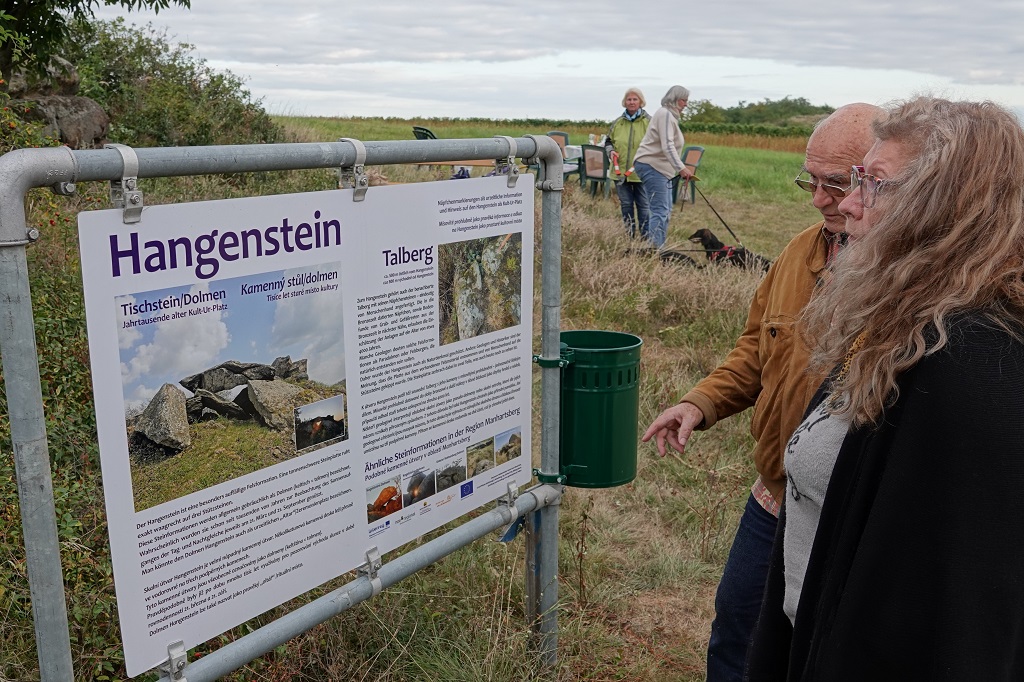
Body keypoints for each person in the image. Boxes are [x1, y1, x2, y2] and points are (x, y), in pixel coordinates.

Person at [747, 97, 1024, 680]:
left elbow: (962, 619)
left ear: (945, 207)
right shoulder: (903, 321)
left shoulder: (972, 362)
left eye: (871, 183)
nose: (847, 203)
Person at [641, 102, 882, 682]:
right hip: (773, 494)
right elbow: (756, 349)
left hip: (847, 516)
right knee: (737, 633)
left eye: (838, 182)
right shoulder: (800, 252)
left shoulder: (912, 279)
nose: (821, 199)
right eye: (812, 180)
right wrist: (698, 402)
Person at [632, 85, 693, 248]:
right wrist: (681, 168)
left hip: (661, 169)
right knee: (660, 210)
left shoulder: (670, 116)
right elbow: (667, 145)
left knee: (665, 210)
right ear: (674, 99)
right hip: (652, 165)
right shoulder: (665, 114)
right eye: (683, 100)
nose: (686, 104)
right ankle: (656, 251)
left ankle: (659, 247)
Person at [605, 87, 651, 239]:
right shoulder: (617, 123)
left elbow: (656, 144)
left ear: (641, 102)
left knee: (643, 205)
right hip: (620, 172)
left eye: (635, 99)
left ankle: (645, 236)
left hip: (642, 172)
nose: (631, 102)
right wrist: (610, 151)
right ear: (624, 102)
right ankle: (629, 235)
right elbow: (608, 142)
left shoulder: (650, 122)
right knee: (626, 205)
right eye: (629, 99)